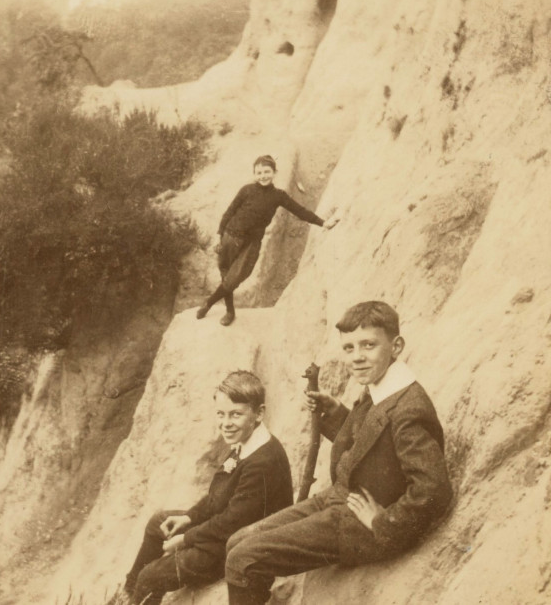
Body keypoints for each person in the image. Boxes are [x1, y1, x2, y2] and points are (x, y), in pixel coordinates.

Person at [224, 301, 453, 605]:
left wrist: (383, 522)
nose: (357, 357)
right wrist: (335, 414)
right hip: (339, 497)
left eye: (368, 345)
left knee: (243, 559)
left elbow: (434, 490)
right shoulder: (380, 385)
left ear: (395, 346)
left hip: (360, 525)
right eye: (348, 348)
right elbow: (373, 445)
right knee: (238, 541)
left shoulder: (409, 408)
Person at [123, 371, 293, 605]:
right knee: (157, 523)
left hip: (240, 546)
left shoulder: (263, 460)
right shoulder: (245, 441)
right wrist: (189, 518)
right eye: (220, 414)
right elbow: (217, 497)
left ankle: (140, 592)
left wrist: (186, 539)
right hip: (226, 531)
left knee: (151, 576)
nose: (226, 423)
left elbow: (232, 523)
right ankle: (128, 595)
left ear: (259, 413)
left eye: (236, 414)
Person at [196, 155, 338, 327]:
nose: (263, 176)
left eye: (267, 172)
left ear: (274, 172)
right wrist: (219, 235)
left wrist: (323, 223)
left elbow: (300, 211)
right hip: (230, 236)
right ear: (254, 174)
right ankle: (230, 311)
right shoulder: (246, 190)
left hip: (251, 244)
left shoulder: (278, 196)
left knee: (234, 279)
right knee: (226, 276)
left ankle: (208, 303)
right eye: (259, 172)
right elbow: (229, 212)